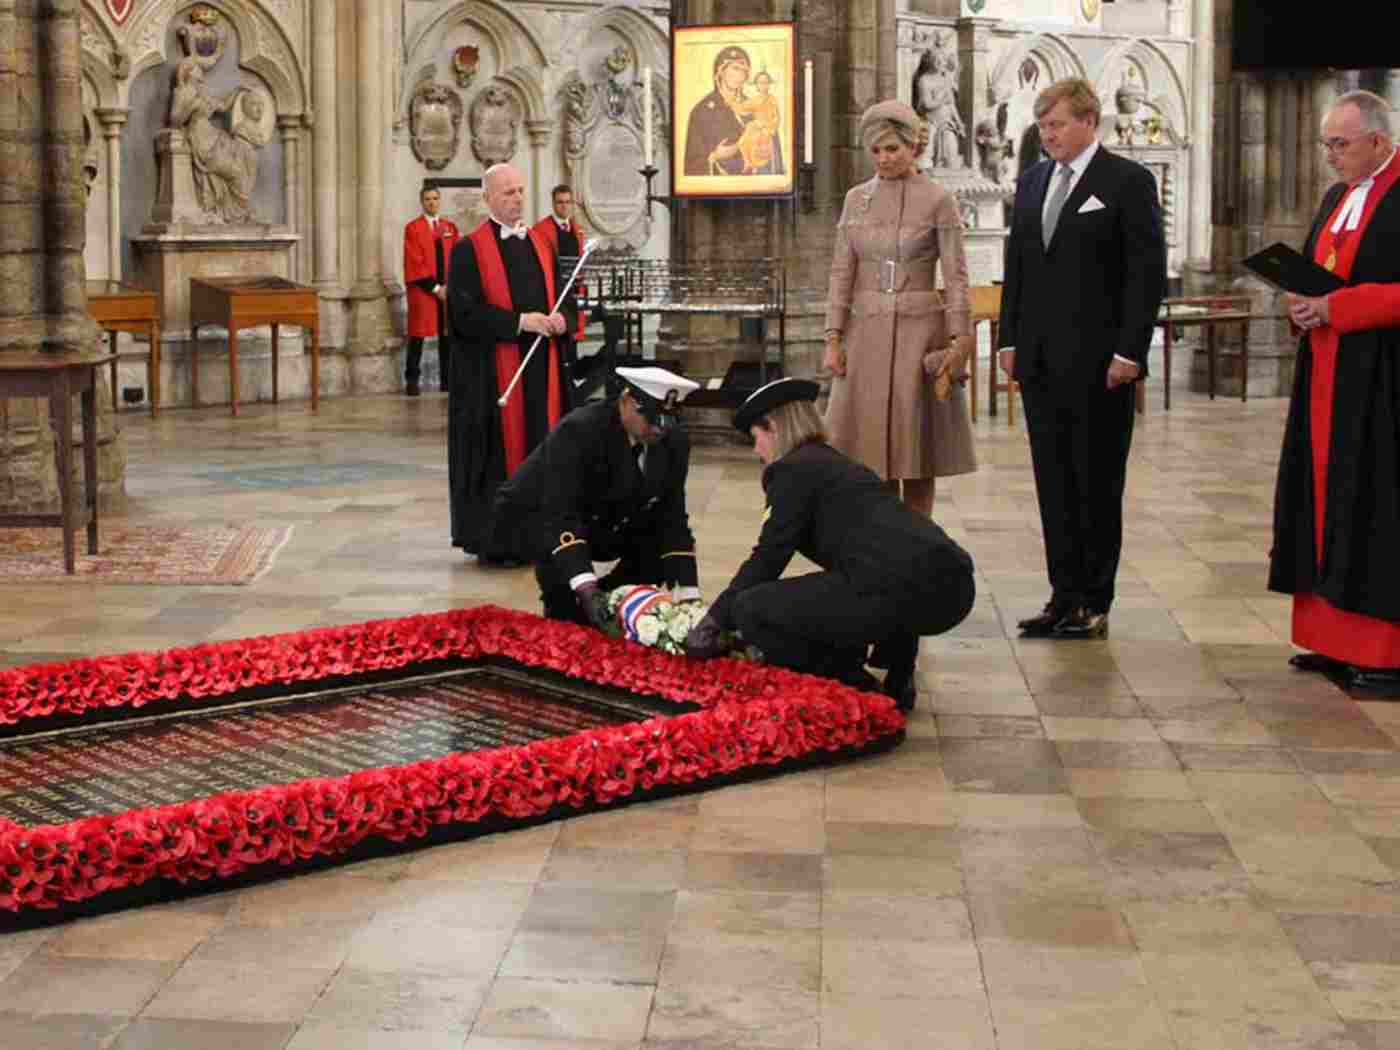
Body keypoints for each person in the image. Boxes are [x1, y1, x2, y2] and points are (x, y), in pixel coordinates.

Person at [683, 378, 975, 709]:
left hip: (905, 590)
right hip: (953, 588)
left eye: (756, 437)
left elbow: (769, 557)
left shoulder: (790, 471)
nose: (756, 450)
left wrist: (716, 620)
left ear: (774, 428)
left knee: (751, 609)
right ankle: (898, 681)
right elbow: (900, 556)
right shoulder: (834, 463)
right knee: (874, 574)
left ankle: (855, 686)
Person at [998, 77, 1166, 640]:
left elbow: (1145, 274)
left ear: (1089, 121)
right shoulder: (1033, 180)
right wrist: (1009, 340)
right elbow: (1019, 265)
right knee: (1054, 482)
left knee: (1096, 482)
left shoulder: (1127, 181)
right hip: (1041, 361)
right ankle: (1062, 596)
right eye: (1043, 126)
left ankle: (1094, 600)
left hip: (1101, 363)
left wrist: (1130, 351)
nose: (1048, 135)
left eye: (1058, 124)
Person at [1270, 90, 1400, 696]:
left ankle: (1385, 653)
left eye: (1340, 144)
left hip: (1383, 380)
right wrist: (1300, 306)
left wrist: (1337, 307)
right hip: (1327, 371)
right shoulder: (1335, 197)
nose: (1329, 155)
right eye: (1325, 144)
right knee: (1322, 503)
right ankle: (1331, 640)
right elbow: (1313, 270)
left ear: (1378, 140)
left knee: (1374, 506)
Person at [823, 99, 977, 521]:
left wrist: (961, 339)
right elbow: (841, 272)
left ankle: (918, 541)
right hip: (865, 336)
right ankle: (884, 543)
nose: (883, 158)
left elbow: (956, 276)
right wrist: (833, 337)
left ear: (913, 146)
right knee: (871, 454)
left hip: (920, 334)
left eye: (892, 148)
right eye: (875, 150)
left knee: (917, 454)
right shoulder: (856, 199)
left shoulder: (939, 199)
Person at [489, 367, 702, 627]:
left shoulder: (673, 441)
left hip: (599, 515)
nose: (659, 429)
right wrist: (586, 587)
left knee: (656, 546)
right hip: (536, 514)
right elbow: (561, 514)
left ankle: (610, 601)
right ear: (626, 401)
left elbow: (673, 517)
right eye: (651, 418)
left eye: (668, 420)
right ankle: (567, 607)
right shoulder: (580, 430)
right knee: (567, 605)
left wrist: (690, 598)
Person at [446, 162, 575, 561]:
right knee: (500, 459)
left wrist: (562, 319)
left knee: (544, 453)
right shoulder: (468, 250)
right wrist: (521, 322)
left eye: (520, 190)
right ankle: (499, 542)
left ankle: (543, 537)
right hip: (493, 380)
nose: (517, 198)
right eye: (507, 192)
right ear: (488, 199)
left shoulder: (542, 244)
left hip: (542, 373)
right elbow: (463, 315)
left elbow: (566, 297)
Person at [683, 45, 784, 178]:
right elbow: (692, 164)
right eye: (735, 68)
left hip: (752, 184)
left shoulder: (755, 105)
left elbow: (772, 153)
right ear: (720, 71)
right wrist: (715, 156)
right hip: (717, 186)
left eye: (744, 71)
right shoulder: (702, 111)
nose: (739, 75)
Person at [402, 185, 459, 396]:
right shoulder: (413, 228)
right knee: (417, 335)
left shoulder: (449, 227)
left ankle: (447, 381)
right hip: (423, 289)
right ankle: (412, 381)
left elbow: (457, 258)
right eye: (428, 199)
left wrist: (450, 286)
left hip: (446, 288)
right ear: (422, 201)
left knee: (447, 336)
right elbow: (414, 261)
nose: (432, 202)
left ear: (439, 200)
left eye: (435, 198)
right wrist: (435, 288)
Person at [531, 184, 586, 372]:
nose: (564, 206)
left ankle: (572, 377)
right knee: (558, 340)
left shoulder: (578, 229)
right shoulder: (540, 229)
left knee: (573, 337)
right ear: (553, 204)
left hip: (574, 290)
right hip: (553, 292)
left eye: (568, 202)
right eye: (560, 202)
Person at [735, 72, 781, 174]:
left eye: (766, 82)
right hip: (756, 127)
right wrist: (737, 101)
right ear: (756, 85)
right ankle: (749, 163)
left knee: (761, 146)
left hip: (769, 129)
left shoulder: (772, 99)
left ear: (769, 84)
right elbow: (742, 109)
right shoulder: (755, 99)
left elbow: (776, 117)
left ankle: (762, 168)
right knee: (742, 142)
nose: (763, 85)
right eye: (761, 83)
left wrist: (770, 129)